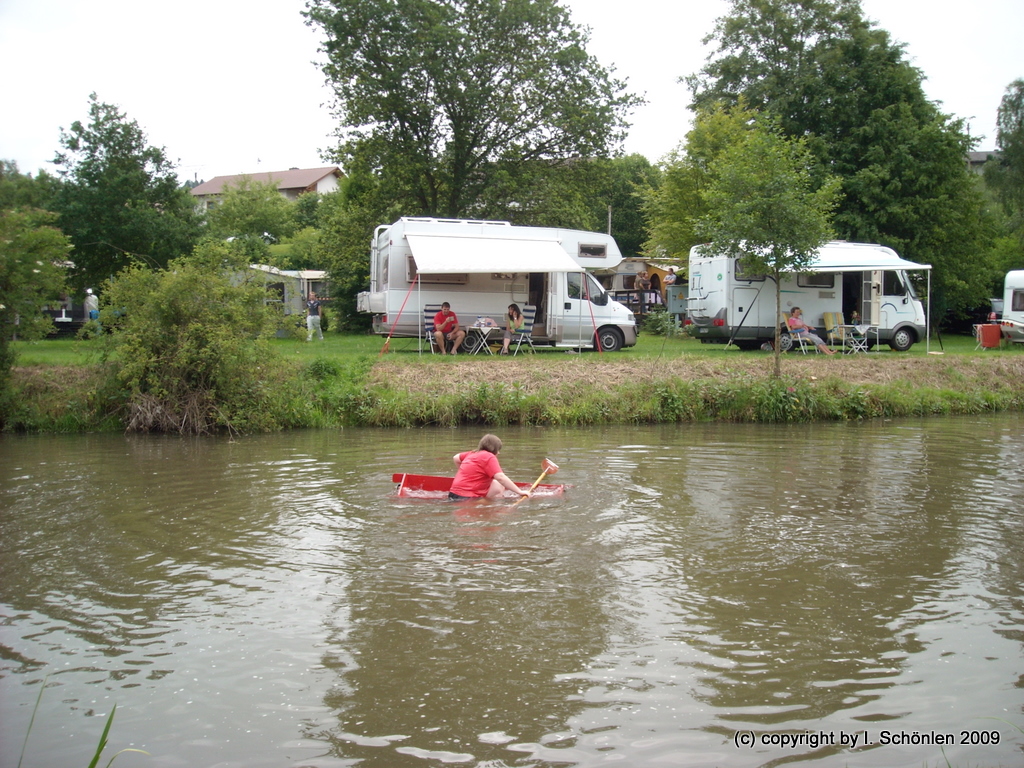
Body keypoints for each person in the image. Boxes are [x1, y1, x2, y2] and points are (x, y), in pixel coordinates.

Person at [449, 434, 531, 501]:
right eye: (498, 449)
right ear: (494, 449)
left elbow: (455, 458)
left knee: (495, 483)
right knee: (499, 485)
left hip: (452, 494)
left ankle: (486, 500)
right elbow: (501, 478)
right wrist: (519, 492)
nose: (499, 453)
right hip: (467, 498)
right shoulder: (489, 456)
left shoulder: (472, 453)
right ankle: (492, 505)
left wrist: (465, 472)